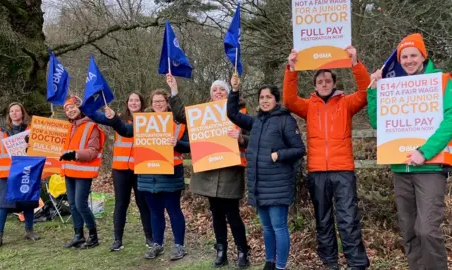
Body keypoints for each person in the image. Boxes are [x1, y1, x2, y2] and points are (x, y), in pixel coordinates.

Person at [367, 33, 452, 270]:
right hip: (401, 166)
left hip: (430, 167)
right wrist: (374, 91)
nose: (409, 60)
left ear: (423, 56)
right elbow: (379, 122)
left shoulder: (442, 81)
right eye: (404, 57)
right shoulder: (394, 86)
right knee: (409, 230)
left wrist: (425, 151)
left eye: (413, 55)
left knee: (427, 229)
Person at [283, 46, 371, 270]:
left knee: (348, 218)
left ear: (334, 83)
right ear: (314, 86)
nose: (324, 84)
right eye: (320, 81)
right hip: (317, 171)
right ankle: (330, 261)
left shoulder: (346, 103)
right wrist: (291, 68)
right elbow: (289, 99)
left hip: (343, 170)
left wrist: (355, 63)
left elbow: (365, 92)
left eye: (327, 80)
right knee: (322, 219)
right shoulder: (308, 106)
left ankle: (357, 263)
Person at [90, 88, 190, 261]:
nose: (158, 104)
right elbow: (125, 131)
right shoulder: (143, 121)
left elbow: (189, 146)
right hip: (147, 172)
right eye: (155, 101)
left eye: (161, 101)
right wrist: (114, 118)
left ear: (167, 103)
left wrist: (177, 143)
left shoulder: (179, 122)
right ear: (151, 104)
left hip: (171, 171)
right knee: (155, 211)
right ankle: (157, 244)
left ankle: (179, 246)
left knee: (173, 210)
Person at [167, 74, 251, 268]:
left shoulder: (241, 111)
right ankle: (221, 250)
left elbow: (252, 136)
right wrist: (173, 90)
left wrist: (241, 139)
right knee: (216, 213)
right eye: (215, 89)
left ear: (229, 93)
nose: (218, 92)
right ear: (210, 94)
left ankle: (242, 251)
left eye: (222, 89)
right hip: (210, 170)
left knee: (233, 213)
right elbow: (180, 115)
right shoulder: (202, 113)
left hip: (230, 169)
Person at [227, 77, 306, 270]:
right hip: (259, 185)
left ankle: (280, 265)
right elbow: (232, 113)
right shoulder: (256, 122)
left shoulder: (285, 121)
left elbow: (299, 149)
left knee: (279, 227)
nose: (264, 100)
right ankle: (269, 262)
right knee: (267, 227)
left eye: (268, 97)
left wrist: (279, 154)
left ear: (276, 99)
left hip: (278, 184)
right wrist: (234, 90)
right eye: (262, 97)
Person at [88, 92, 153, 251]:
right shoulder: (117, 118)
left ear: (142, 103)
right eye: (131, 100)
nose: (133, 102)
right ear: (127, 103)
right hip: (120, 169)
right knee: (120, 204)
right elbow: (97, 117)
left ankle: (150, 238)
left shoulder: (150, 120)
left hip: (141, 168)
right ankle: (117, 240)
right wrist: (84, 105)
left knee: (143, 204)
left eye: (137, 100)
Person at [60, 95, 105, 249]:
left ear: (79, 108)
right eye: (67, 109)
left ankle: (93, 236)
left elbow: (92, 151)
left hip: (83, 173)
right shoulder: (67, 128)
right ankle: (78, 235)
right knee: (72, 205)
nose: (70, 110)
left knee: (80, 204)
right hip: (69, 171)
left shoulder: (91, 126)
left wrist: (75, 155)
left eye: (72, 107)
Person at [0, 102, 38, 248]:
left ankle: (29, 231)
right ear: (9, 115)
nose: (15, 113)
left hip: (26, 171)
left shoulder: (32, 130)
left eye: (18, 110)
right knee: (2, 205)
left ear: (22, 113)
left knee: (28, 202)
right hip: (6, 174)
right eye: (12, 111)